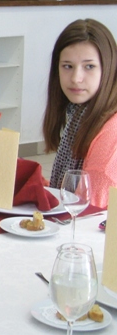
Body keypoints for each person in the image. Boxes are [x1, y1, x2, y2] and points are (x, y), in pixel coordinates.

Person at [43, 19, 117, 208]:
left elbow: (89, 210)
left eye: (89, 66)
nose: (76, 78)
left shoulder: (112, 130)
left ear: (109, 68)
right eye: (67, 66)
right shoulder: (79, 114)